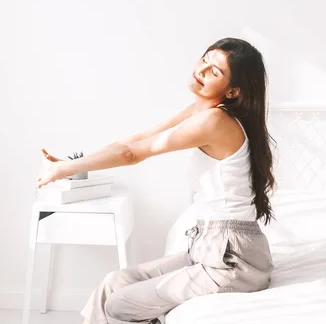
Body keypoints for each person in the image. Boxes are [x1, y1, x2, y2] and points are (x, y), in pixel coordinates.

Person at [36, 37, 275, 324]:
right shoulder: (200, 111)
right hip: (208, 247)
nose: (201, 70)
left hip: (233, 261)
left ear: (233, 90)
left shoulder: (214, 122)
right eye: (204, 60)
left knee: (119, 305)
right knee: (113, 283)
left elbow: (131, 155)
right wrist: (71, 164)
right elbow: (134, 141)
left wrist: (61, 171)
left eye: (215, 71)